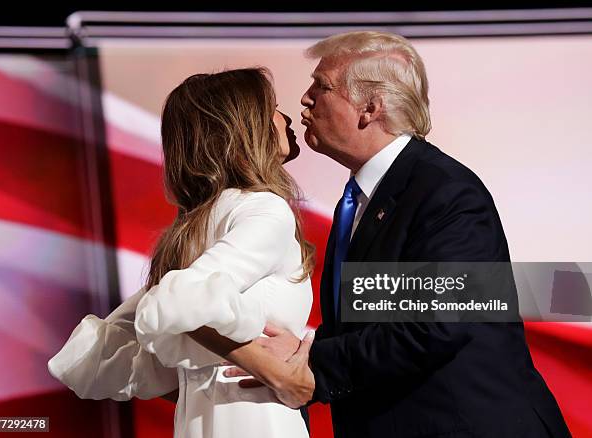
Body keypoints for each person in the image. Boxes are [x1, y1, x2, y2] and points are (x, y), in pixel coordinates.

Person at [223, 31, 572, 438]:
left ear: (369, 108)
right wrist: (301, 351)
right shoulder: (361, 198)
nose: (305, 98)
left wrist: (313, 362)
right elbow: (375, 318)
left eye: (322, 85)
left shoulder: (446, 192)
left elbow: (437, 322)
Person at [48, 67, 314, 438]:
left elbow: (95, 355)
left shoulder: (193, 224)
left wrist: (199, 378)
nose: (286, 118)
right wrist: (278, 374)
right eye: (273, 107)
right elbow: (175, 303)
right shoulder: (265, 209)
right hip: (258, 420)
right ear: (245, 126)